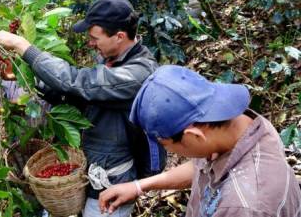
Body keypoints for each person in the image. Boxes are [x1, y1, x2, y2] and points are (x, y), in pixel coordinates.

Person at [0, 0, 166, 217]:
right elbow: (78, 97)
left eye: (94, 38)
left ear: (119, 36)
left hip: (111, 180)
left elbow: (77, 82)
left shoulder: (136, 73)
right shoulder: (112, 60)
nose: (90, 43)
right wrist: (19, 77)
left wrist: (23, 46)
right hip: (93, 171)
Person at [99, 65, 301, 216]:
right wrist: (138, 186)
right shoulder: (241, 126)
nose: (171, 152)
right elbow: (201, 167)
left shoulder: (242, 206)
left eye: (166, 145)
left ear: (195, 136)